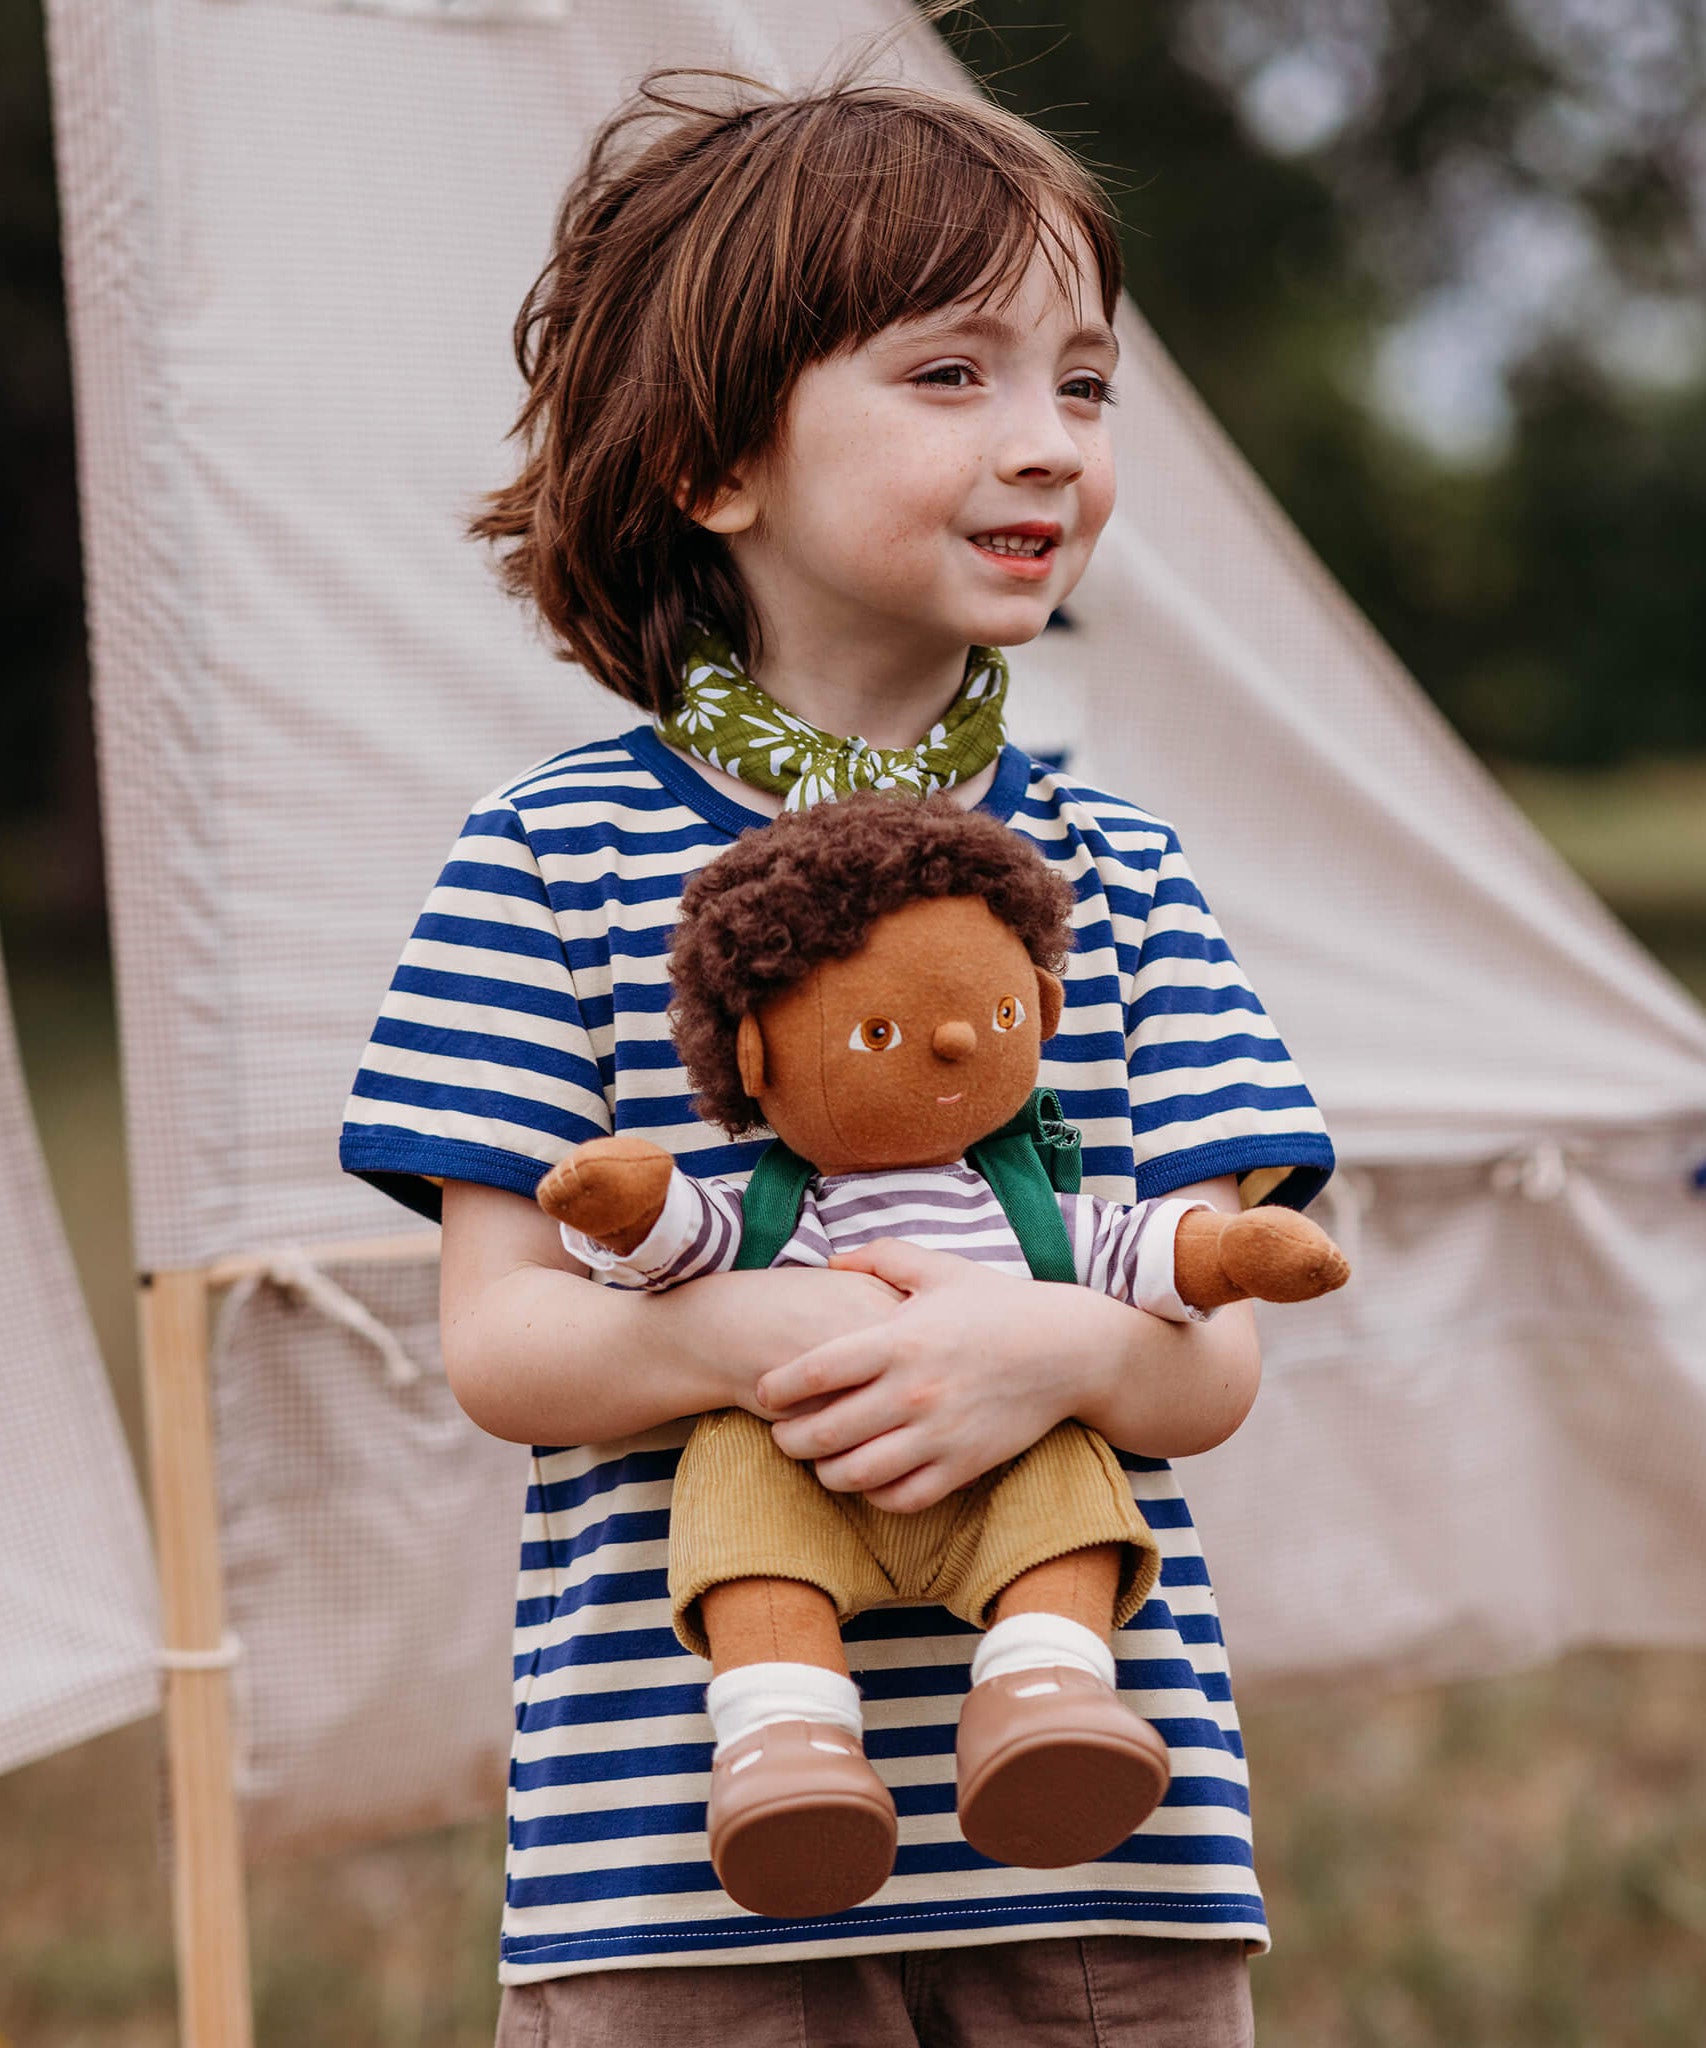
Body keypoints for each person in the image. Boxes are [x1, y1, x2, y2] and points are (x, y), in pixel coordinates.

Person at [340, 62, 1336, 2048]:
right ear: (718, 462)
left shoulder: (1117, 874)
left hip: (1099, 1854)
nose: (1048, 440)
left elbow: (1207, 1356)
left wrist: (1043, 1346)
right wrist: (790, 1333)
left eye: (1082, 381)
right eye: (951, 377)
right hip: (687, 1862)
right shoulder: (546, 859)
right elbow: (506, 1344)